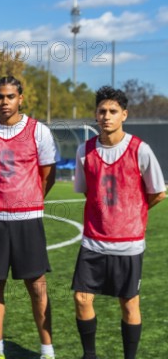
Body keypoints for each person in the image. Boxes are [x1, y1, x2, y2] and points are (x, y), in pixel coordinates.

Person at [72, 86, 165, 359]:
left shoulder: (141, 150)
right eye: (102, 111)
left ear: (124, 114)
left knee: (129, 303)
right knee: (81, 298)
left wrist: (133, 211)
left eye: (113, 111)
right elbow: (88, 191)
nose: (106, 116)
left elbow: (158, 192)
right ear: (95, 115)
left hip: (129, 244)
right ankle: (89, 355)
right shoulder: (84, 150)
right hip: (93, 240)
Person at [0, 76, 57, 359]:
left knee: (37, 285)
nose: (4, 102)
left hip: (27, 219)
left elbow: (47, 176)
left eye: (9, 97)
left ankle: (47, 349)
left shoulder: (39, 132)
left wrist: (26, 199)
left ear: (21, 98)